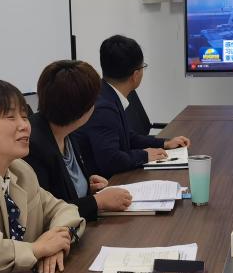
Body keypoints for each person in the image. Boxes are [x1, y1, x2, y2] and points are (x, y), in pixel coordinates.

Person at [0, 79, 85, 273]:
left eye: (24, 116)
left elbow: (65, 209)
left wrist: (57, 242)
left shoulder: (20, 171)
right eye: (10, 117)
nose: (24, 125)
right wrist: (37, 249)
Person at [25, 60, 132, 222]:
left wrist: (87, 187)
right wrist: (97, 201)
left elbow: (65, 192)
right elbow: (47, 214)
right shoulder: (33, 147)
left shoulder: (68, 131)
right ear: (81, 109)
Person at [77, 35, 190, 178]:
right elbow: (111, 160)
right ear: (136, 75)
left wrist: (165, 143)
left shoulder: (105, 92)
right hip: (105, 183)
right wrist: (144, 155)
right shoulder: (103, 108)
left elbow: (127, 137)